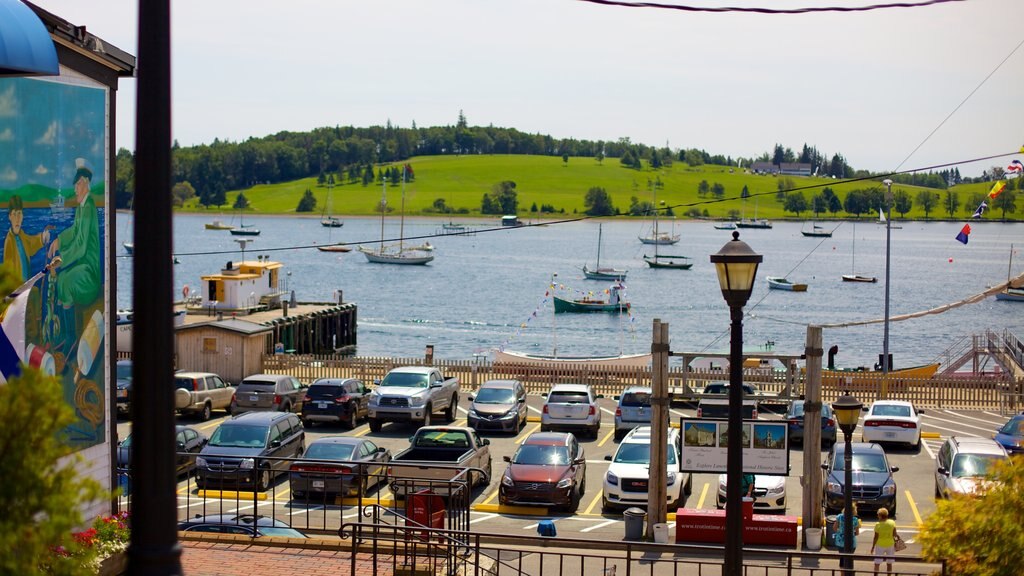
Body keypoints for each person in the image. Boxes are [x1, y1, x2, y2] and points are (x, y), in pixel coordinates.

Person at [3, 194, 50, 282]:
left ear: (22, 216)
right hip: (16, 289)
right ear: (10, 217)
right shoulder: (9, 241)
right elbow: (7, 273)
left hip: (26, 285)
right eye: (14, 214)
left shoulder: (22, 235)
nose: (17, 219)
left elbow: (31, 244)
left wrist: (42, 237)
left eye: (19, 214)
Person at [871, 507, 899, 574]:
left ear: (880, 516)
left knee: (877, 563)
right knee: (889, 563)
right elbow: (895, 534)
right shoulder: (892, 522)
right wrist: (896, 543)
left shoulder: (878, 525)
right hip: (890, 544)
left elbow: (875, 537)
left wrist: (872, 547)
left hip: (880, 545)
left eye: (878, 515)